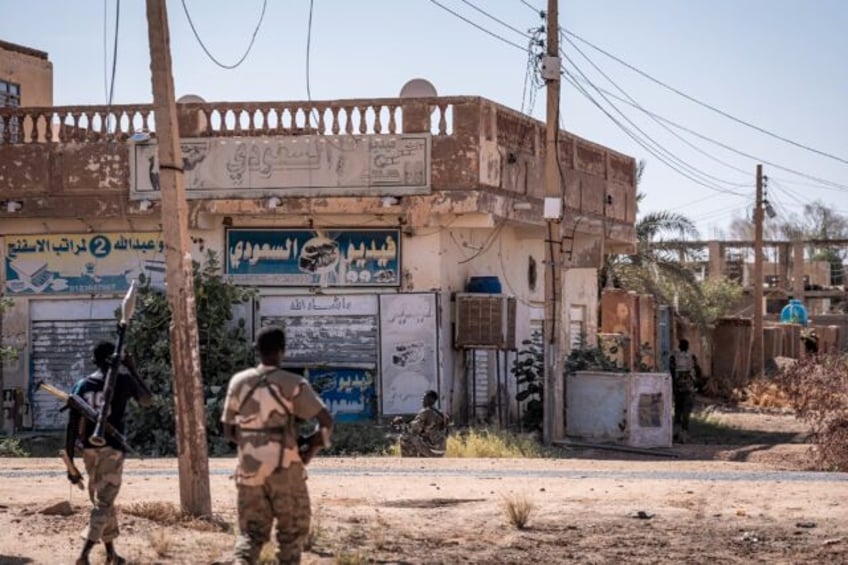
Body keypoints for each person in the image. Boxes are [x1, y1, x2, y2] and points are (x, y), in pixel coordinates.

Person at [222, 325, 334, 565]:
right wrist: (309, 451)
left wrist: (253, 444)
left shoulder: (239, 382)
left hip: (249, 469)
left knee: (250, 535)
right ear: (283, 351)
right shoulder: (294, 383)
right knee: (291, 536)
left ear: (256, 350)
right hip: (286, 469)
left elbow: (229, 431)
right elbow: (326, 422)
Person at [65, 341, 152, 565]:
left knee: (103, 501)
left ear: (94, 360)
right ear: (117, 360)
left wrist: (70, 465)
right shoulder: (124, 380)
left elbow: (72, 425)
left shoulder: (81, 386)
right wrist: (132, 368)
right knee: (104, 503)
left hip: (89, 451)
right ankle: (84, 555)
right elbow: (146, 400)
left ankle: (112, 554)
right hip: (112, 451)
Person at [398, 390, 448, 457]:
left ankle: (409, 460)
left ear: (431, 400)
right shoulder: (443, 414)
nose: (422, 400)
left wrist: (401, 423)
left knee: (405, 436)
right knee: (422, 437)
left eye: (424, 398)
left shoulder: (426, 412)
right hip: (441, 450)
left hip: (431, 450)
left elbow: (413, 429)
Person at [669, 339, 701, 443]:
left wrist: (673, 386)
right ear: (687, 346)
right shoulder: (692, 357)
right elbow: (698, 371)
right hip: (689, 388)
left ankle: (676, 433)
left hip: (678, 388)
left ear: (679, 346)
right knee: (686, 411)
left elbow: (671, 372)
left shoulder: (674, 357)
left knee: (678, 410)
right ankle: (684, 434)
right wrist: (696, 382)